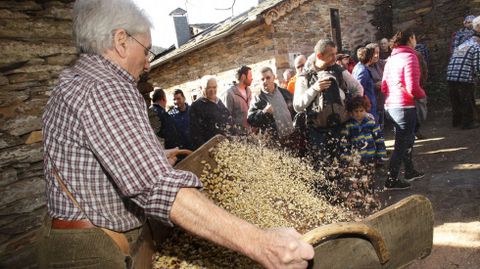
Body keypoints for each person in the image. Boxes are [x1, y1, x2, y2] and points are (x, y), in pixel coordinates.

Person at [40, 0, 314, 268]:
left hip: (72, 239)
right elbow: (157, 187)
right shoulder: (105, 87)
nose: (148, 64)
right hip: (90, 251)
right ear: (121, 40)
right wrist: (262, 243)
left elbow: (95, 158)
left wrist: (154, 156)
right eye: (146, 50)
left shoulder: (76, 80)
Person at [293, 38, 364, 165]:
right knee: (324, 169)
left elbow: (358, 88)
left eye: (335, 54)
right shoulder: (305, 76)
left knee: (345, 167)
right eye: (331, 55)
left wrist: (353, 108)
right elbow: (297, 105)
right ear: (319, 55)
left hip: (342, 128)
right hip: (317, 132)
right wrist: (315, 88)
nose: (334, 58)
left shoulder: (339, 70)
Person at [382, 28, 427, 190]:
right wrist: (422, 95)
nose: (416, 41)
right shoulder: (410, 57)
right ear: (411, 39)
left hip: (391, 106)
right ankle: (391, 180)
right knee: (401, 145)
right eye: (415, 38)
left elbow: (383, 86)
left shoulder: (391, 59)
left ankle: (409, 171)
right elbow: (414, 87)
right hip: (404, 107)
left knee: (407, 140)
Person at [447, 16, 480, 130]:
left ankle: (457, 121)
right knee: (468, 99)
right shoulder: (476, 46)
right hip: (464, 75)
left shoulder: (464, 44)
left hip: (451, 74)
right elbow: (477, 66)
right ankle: (468, 123)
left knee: (456, 99)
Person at [248, 67, 295, 146]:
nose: (265, 81)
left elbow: (295, 110)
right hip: (273, 142)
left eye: (268, 78)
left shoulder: (284, 93)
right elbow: (250, 119)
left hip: (292, 137)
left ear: (273, 77)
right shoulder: (258, 99)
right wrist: (264, 112)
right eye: (262, 79)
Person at [190, 76, 232, 149]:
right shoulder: (196, 106)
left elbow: (229, 119)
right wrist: (206, 150)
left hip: (225, 146)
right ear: (201, 88)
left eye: (214, 87)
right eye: (209, 88)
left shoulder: (219, 102)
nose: (212, 90)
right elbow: (195, 134)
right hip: (211, 148)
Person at [340, 96, 386, 162]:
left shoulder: (371, 123)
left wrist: (380, 155)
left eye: (361, 111)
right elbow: (344, 143)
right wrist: (345, 157)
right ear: (351, 112)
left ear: (366, 110)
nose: (359, 114)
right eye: (356, 111)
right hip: (356, 159)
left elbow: (379, 139)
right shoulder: (348, 126)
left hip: (371, 156)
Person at [221, 65, 253, 135]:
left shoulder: (249, 91)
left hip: (250, 133)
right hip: (238, 136)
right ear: (243, 77)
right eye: (250, 75)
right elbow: (226, 118)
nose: (252, 78)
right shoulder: (230, 94)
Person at [352, 46, 378, 121]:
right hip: (367, 106)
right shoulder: (362, 71)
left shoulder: (358, 67)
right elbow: (358, 89)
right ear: (370, 58)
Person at [366, 42, 387, 126]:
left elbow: (389, 61)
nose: (376, 55)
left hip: (381, 103)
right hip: (371, 105)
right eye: (373, 53)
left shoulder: (380, 63)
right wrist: (375, 85)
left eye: (377, 53)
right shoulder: (364, 67)